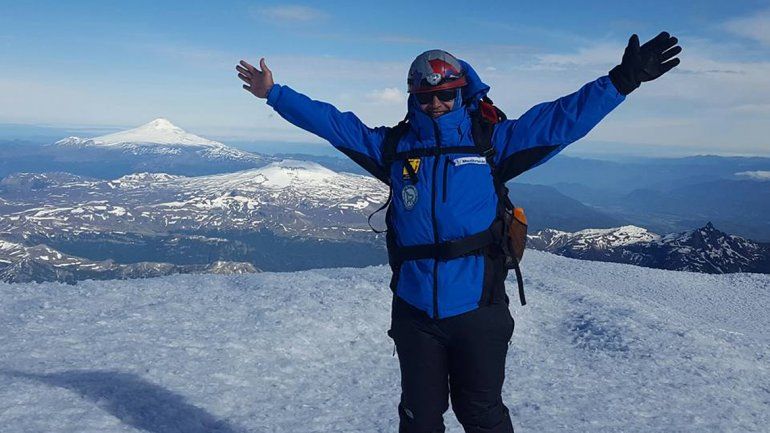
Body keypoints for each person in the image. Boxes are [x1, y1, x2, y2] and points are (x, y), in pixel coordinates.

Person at [237, 32, 681, 433]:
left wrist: (622, 80)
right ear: (413, 97)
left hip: (478, 309)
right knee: (419, 417)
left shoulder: (492, 143)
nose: (435, 104)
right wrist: (274, 94)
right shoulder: (395, 149)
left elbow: (560, 120)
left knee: (481, 413)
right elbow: (333, 123)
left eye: (445, 95)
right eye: (426, 96)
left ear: (460, 92)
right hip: (415, 315)